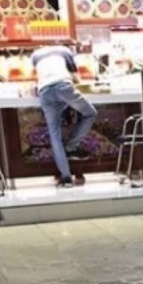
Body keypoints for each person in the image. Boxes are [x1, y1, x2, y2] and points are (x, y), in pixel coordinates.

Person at [32, 44, 97, 187]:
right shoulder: (65, 51)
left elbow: (38, 77)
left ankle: (66, 177)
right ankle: (71, 146)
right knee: (90, 113)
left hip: (45, 92)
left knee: (55, 136)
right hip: (63, 87)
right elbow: (75, 76)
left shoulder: (35, 55)